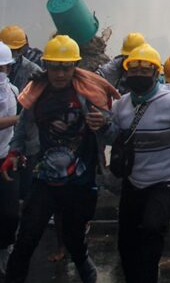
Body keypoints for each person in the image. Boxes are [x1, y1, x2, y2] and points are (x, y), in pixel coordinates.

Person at [87, 44, 170, 283]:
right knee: (126, 241)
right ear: (126, 73)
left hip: (169, 178)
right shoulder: (121, 105)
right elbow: (114, 137)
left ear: (156, 73)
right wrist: (103, 125)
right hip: (135, 180)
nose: (138, 75)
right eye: (133, 70)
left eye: (145, 70)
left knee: (151, 228)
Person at [2, 35, 120, 283]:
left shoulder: (88, 94)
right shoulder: (37, 92)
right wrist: (14, 152)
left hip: (80, 182)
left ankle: (85, 266)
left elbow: (113, 136)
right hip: (44, 178)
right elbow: (22, 129)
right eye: (55, 66)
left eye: (66, 67)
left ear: (75, 66)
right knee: (26, 239)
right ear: (46, 65)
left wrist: (104, 124)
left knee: (74, 240)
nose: (60, 73)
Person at [0, 42, 19, 276]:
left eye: (2, 69)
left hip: (6, 158)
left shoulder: (13, 92)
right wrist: (19, 118)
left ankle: (5, 247)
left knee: (10, 212)